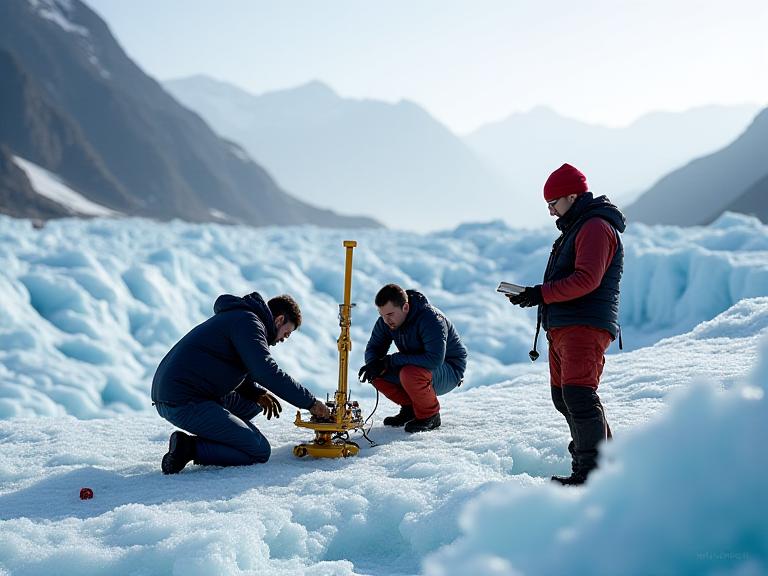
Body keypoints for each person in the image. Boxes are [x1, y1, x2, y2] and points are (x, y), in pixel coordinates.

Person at [508, 163, 625, 486]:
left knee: (579, 396)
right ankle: (604, 463)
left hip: (583, 325)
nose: (550, 211)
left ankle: (591, 473)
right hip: (565, 326)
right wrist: (535, 296)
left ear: (572, 196)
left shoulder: (595, 227)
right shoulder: (578, 227)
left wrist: (540, 293)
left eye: (553, 203)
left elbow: (587, 279)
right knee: (565, 397)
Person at [151, 292, 330, 474]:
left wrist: (255, 393)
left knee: (253, 405)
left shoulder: (242, 318)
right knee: (258, 450)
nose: (283, 339)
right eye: (286, 333)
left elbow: (225, 363)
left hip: (188, 391)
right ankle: (188, 447)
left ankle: (226, 433)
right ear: (279, 320)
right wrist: (310, 403)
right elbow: (265, 371)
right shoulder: (248, 322)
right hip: (182, 400)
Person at [358, 284, 467, 433]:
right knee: (376, 373)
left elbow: (434, 359)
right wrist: (373, 364)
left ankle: (430, 416)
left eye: (390, 314)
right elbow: (374, 348)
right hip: (417, 366)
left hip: (449, 369)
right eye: (381, 315)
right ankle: (410, 409)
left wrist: (391, 361)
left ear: (405, 307)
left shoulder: (431, 319)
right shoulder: (388, 321)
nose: (386, 320)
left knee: (409, 373)